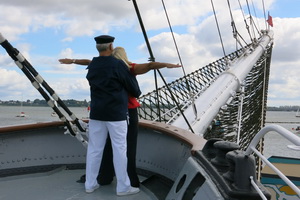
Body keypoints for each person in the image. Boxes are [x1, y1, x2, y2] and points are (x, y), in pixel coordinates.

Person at [59, 48, 181, 188]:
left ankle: (104, 177)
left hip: (108, 112)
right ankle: (130, 181)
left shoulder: (105, 65)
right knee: (127, 147)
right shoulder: (129, 68)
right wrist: (166, 64)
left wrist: (72, 61)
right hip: (127, 112)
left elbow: (88, 62)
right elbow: (149, 65)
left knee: (106, 147)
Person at [85, 35, 141, 196]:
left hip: (96, 114)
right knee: (120, 150)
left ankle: (90, 184)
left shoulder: (93, 65)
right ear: (111, 47)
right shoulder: (117, 65)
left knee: (94, 149)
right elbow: (134, 90)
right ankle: (123, 187)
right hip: (116, 114)